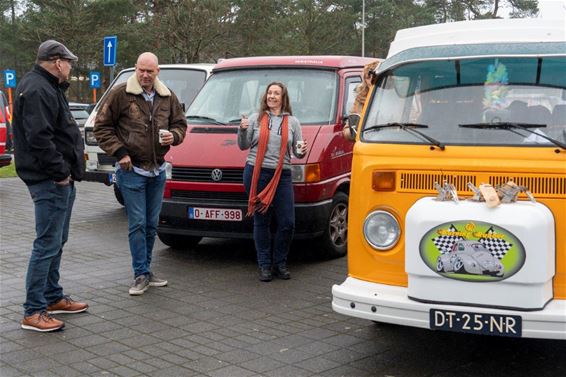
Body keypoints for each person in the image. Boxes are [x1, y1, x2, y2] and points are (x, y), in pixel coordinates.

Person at [94, 52, 187, 295]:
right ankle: (140, 274)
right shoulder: (121, 94)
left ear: (158, 72)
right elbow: (101, 127)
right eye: (141, 70)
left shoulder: (167, 96)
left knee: (151, 224)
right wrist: (120, 152)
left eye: (150, 71)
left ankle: (146, 270)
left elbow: (180, 124)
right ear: (136, 69)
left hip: (157, 171)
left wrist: (173, 136)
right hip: (131, 169)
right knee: (137, 223)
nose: (145, 75)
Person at [13, 40, 88, 332]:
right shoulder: (37, 89)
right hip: (50, 181)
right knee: (46, 244)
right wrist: (60, 173)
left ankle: (53, 297)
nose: (71, 67)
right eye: (69, 62)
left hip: (59, 179)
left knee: (57, 241)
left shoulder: (47, 86)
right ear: (57, 62)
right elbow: (39, 139)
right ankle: (33, 311)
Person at [238, 82, 307, 282]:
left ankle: (280, 262)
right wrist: (242, 130)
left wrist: (302, 151)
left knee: (287, 223)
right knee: (262, 221)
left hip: (282, 174)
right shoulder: (255, 118)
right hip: (256, 173)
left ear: (283, 97)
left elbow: (297, 152)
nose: (272, 96)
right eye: (270, 93)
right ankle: (265, 265)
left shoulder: (293, 122)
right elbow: (243, 145)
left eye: (276, 93)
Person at [343, 60, 380, 140]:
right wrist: (354, 130)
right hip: (365, 144)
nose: (370, 80)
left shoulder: (393, 96)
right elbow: (347, 130)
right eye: (367, 77)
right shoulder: (359, 99)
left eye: (373, 76)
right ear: (364, 79)